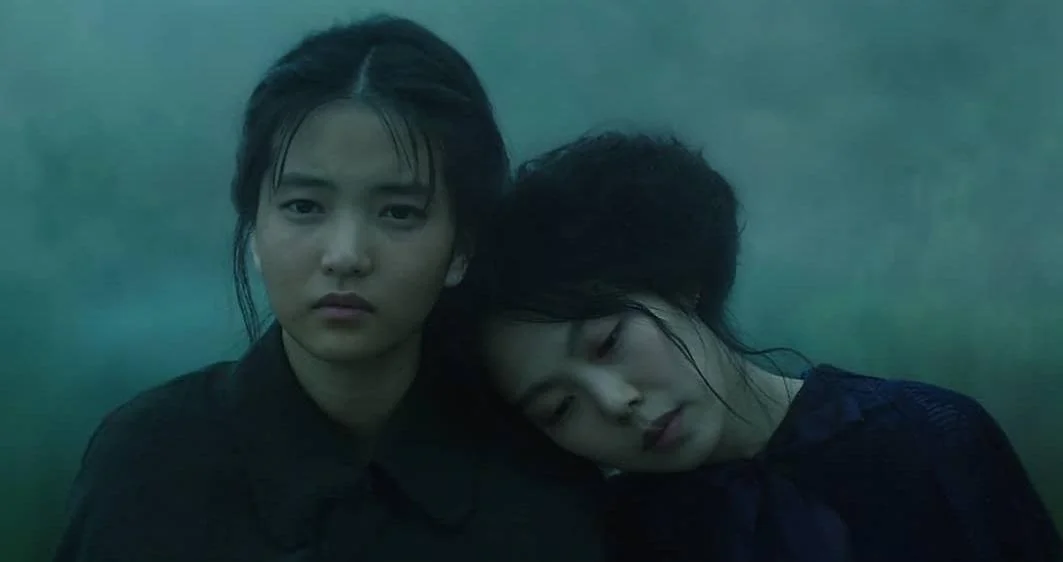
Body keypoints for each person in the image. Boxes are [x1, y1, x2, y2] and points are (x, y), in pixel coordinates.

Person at [52, 15, 608, 562]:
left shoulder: (536, 480)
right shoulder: (150, 463)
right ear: (254, 228)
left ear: (461, 247)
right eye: (304, 206)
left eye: (399, 212)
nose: (345, 255)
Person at [455, 130, 1062, 562]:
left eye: (608, 342)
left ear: (677, 283)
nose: (615, 402)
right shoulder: (610, 539)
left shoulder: (929, 434)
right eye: (559, 408)